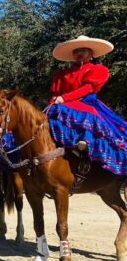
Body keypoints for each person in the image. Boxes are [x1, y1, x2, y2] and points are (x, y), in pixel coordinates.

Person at [47, 35, 127, 175]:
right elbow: (56, 94)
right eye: (76, 51)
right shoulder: (62, 74)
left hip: (85, 102)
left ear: (91, 54)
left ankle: (85, 145)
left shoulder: (97, 69)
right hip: (63, 104)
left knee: (88, 118)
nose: (79, 53)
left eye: (83, 50)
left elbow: (87, 89)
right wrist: (49, 106)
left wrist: (64, 99)